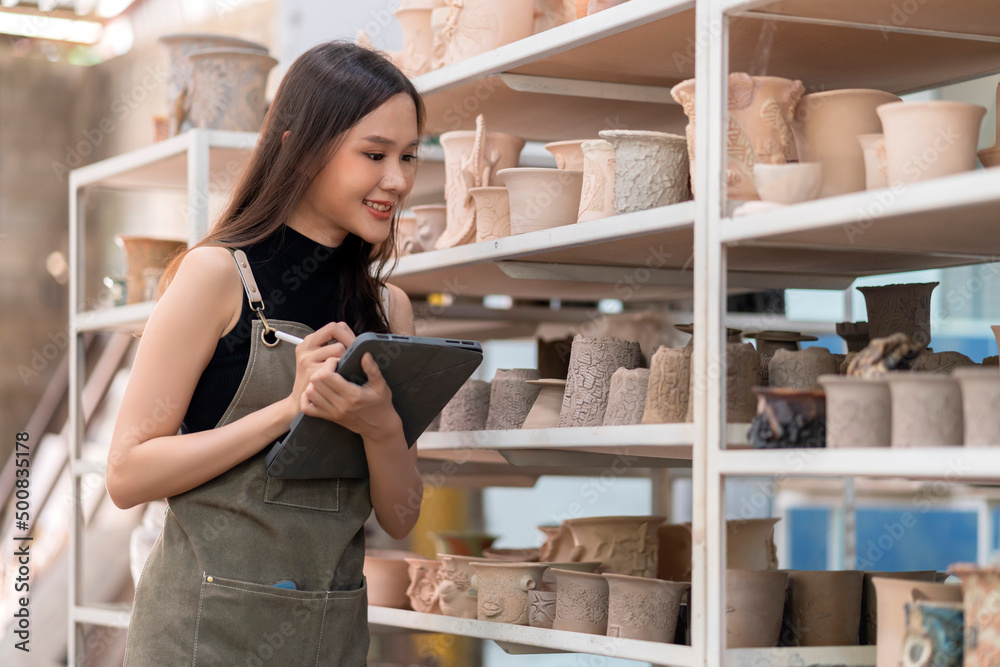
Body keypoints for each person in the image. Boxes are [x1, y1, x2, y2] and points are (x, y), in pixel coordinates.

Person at [107, 41, 425, 665]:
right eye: (374, 154)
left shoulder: (391, 312)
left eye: (408, 156)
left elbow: (401, 516)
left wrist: (383, 428)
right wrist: (287, 409)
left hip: (328, 636)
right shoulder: (216, 276)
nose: (398, 179)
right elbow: (127, 475)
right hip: (202, 637)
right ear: (303, 150)